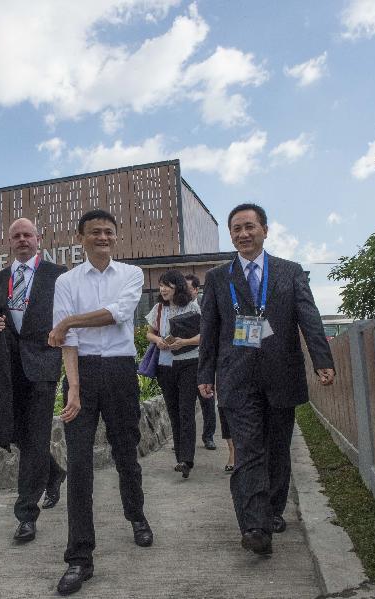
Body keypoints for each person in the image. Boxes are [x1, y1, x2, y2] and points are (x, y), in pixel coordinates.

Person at [197, 203, 334, 556]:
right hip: (237, 376)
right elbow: (209, 329)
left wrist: (322, 359)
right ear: (231, 235)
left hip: (281, 373)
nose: (243, 234)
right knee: (248, 451)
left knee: (276, 450)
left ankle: (271, 510)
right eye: (236, 229)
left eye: (249, 227)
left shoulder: (289, 273)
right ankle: (254, 526)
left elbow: (309, 317)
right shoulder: (217, 277)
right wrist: (205, 373)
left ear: (264, 230)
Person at [48, 209, 152, 596]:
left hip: (121, 372)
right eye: (95, 232)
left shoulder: (131, 275)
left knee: (127, 452)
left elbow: (119, 314)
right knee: (79, 464)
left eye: (109, 231)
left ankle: (136, 516)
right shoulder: (66, 281)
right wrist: (73, 389)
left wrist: (67, 323)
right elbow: (67, 343)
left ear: (115, 236)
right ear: (81, 237)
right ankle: (79, 558)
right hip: (83, 375)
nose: (103, 237)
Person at [0, 218, 68, 544]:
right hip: (6, 368)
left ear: (38, 239)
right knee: (17, 435)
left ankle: (26, 515)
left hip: (43, 365)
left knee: (36, 436)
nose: (22, 240)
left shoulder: (58, 274)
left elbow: (69, 317)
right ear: (9, 241)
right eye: (16, 236)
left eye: (28, 235)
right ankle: (54, 473)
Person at [145, 270, 201, 478]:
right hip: (164, 366)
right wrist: (157, 340)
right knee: (174, 412)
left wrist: (184, 342)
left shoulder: (192, 306)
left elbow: (203, 335)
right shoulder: (158, 308)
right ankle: (180, 458)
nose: (163, 289)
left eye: (167, 285)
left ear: (177, 286)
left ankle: (187, 459)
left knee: (186, 411)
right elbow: (149, 332)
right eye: (161, 285)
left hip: (188, 363)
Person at [185, 273, 217, 451]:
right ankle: (185, 439)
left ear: (196, 290)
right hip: (184, 363)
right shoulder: (176, 307)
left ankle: (208, 437)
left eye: (188, 288)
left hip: (203, 362)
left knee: (208, 402)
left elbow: (209, 334)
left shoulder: (206, 306)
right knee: (186, 405)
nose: (185, 292)